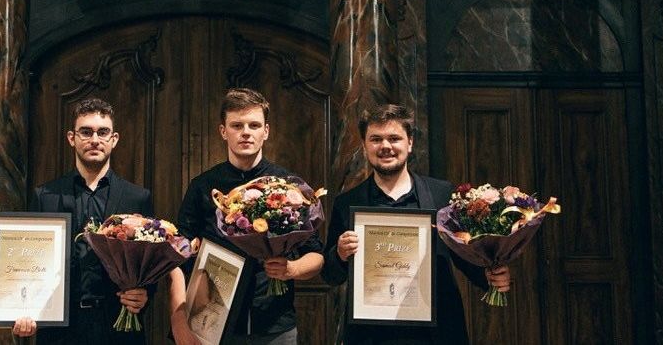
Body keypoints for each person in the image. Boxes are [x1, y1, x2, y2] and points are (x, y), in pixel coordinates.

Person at [322, 104, 511, 345]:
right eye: (376, 139)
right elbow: (330, 274)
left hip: (437, 331)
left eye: (394, 138)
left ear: (409, 143)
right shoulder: (347, 203)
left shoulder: (443, 195)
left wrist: (490, 277)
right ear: (364, 145)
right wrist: (339, 254)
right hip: (371, 333)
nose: (385, 146)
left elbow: (463, 254)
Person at [168, 88, 324, 345]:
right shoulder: (203, 186)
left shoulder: (288, 186)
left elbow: (317, 256)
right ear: (223, 131)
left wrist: (292, 269)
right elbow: (176, 257)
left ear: (266, 131)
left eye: (254, 125)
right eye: (237, 125)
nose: (245, 132)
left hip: (275, 324)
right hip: (212, 324)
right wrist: (178, 320)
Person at [12, 98, 152, 344]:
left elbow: (149, 263)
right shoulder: (45, 196)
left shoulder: (137, 197)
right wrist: (22, 310)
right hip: (60, 329)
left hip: (118, 327)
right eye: (86, 132)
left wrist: (145, 293)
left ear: (114, 139)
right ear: (71, 138)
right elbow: (28, 261)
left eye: (103, 132)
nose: (95, 140)